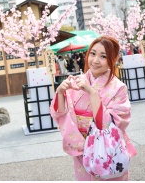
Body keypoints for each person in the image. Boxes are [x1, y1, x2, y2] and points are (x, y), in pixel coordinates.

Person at [51, 36, 137, 180]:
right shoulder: (77, 82)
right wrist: (60, 93)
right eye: (93, 53)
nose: (95, 60)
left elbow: (111, 124)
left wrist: (92, 92)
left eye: (103, 56)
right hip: (82, 147)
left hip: (107, 148)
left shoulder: (118, 88)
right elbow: (62, 113)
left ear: (113, 60)